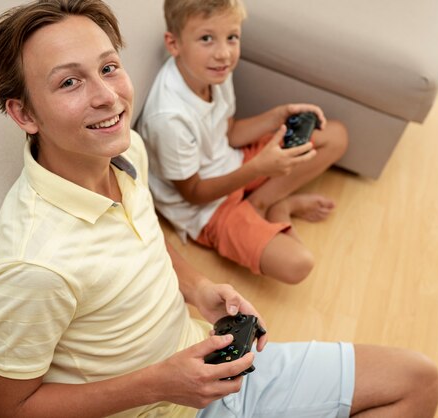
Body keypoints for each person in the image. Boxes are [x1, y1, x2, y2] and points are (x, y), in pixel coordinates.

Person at [0, 1, 438, 417]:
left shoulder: (124, 150)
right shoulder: (32, 265)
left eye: (109, 67)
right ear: (24, 114)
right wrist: (159, 384)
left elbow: (145, 238)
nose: (108, 96)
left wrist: (199, 289)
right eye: (70, 81)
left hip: (206, 364)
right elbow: (8, 409)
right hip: (158, 400)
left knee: (417, 380)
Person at [136, 0, 349, 285]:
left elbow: (231, 132)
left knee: (335, 136)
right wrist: (259, 167)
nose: (224, 53)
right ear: (174, 44)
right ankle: (280, 207)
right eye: (206, 39)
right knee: (298, 264)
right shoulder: (169, 119)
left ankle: (262, 202)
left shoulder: (214, 71)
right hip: (208, 210)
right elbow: (194, 194)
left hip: (232, 160)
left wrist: (277, 116)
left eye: (232, 37)